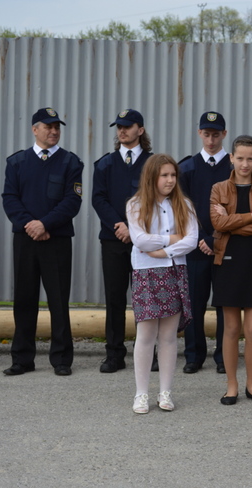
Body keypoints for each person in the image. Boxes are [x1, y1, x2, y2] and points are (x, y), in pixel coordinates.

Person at [1, 107, 83, 376]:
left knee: (58, 299)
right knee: (24, 299)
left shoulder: (70, 162)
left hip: (56, 240)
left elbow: (72, 201)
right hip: (25, 240)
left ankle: (61, 359)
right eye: (48, 126)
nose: (54, 131)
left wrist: (45, 224)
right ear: (35, 130)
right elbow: (10, 198)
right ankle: (22, 359)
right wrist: (31, 225)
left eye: (57, 127)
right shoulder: (17, 162)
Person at [126, 154, 198, 414]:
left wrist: (164, 252)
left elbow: (192, 239)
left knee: (168, 336)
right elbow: (140, 240)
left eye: (173, 175)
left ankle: (165, 392)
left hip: (174, 270)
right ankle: (141, 393)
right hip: (146, 273)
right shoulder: (135, 205)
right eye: (164, 175)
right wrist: (171, 239)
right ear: (152, 177)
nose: (170, 180)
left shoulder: (184, 204)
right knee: (146, 334)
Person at [210, 135, 252, 405]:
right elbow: (217, 223)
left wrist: (232, 223)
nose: (245, 164)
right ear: (231, 158)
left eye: (250, 159)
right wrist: (250, 217)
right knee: (231, 328)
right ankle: (231, 386)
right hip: (227, 261)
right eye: (240, 158)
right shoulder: (218, 188)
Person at [92, 108, 153, 373]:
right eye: (119, 127)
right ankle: (114, 354)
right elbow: (98, 198)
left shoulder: (153, 164)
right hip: (113, 240)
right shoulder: (105, 164)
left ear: (140, 130)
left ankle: (148, 353)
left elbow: (158, 199)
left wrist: (133, 229)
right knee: (115, 298)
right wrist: (119, 226)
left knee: (146, 299)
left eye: (127, 126)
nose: (122, 131)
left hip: (144, 242)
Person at [178, 111, 230, 374]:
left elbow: (238, 209)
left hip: (225, 245)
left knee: (224, 304)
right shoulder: (187, 168)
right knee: (194, 303)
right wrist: (200, 239)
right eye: (207, 134)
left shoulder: (234, 168)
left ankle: (223, 356)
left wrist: (214, 238)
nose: (211, 140)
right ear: (199, 133)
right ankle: (194, 355)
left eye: (216, 134)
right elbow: (181, 209)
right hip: (195, 248)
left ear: (224, 134)